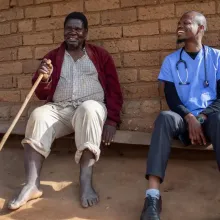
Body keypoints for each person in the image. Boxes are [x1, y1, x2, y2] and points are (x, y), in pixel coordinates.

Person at [8, 12, 123, 210]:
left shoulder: (100, 55)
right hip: (60, 109)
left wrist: (112, 120)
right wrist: (44, 78)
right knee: (38, 115)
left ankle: (85, 183)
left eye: (78, 29)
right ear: (63, 31)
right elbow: (41, 94)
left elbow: (114, 89)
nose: (73, 32)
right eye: (69, 28)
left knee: (88, 109)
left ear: (85, 33)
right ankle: (31, 185)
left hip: (90, 107)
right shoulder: (52, 57)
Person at [140, 11, 220, 220]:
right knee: (164, 117)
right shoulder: (171, 61)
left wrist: (201, 118)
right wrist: (190, 118)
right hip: (183, 119)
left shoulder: (216, 58)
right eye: (178, 23)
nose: (179, 27)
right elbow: (172, 98)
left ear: (201, 28)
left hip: (211, 118)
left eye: (186, 23)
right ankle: (152, 197)